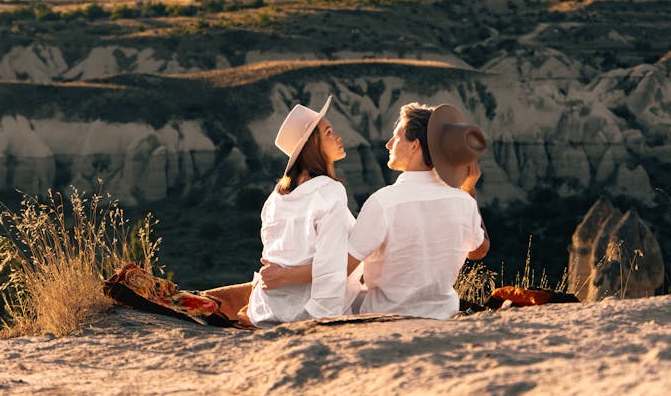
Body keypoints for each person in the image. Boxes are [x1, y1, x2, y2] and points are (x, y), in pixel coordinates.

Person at [262, 102, 490, 320]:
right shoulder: (464, 201)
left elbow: (340, 268)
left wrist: (285, 276)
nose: (388, 144)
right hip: (443, 314)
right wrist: (468, 189)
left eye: (397, 137)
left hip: (385, 316)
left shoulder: (383, 203)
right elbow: (479, 251)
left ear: (415, 145)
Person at [204, 95, 358, 327]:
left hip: (267, 308)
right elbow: (330, 268)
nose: (337, 137)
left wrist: (284, 277)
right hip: (306, 310)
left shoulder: (275, 198)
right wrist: (321, 316)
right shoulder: (330, 191)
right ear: (311, 145)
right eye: (328, 133)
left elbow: (276, 261)